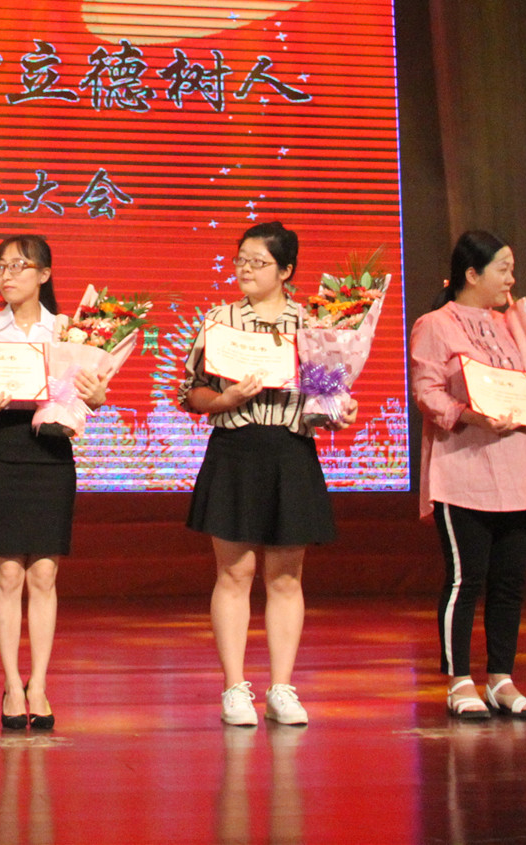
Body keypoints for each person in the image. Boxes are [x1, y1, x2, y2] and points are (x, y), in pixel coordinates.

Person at [409, 230, 526, 721]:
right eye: (502, 269)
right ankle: (459, 680)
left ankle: (501, 678)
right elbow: (426, 390)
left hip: (520, 467)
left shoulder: (517, 323)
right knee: (466, 579)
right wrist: (470, 414)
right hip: (465, 470)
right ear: (472, 274)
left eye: (512, 269)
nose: (511, 279)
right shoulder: (435, 324)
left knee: (510, 581)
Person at [181, 221, 336, 728]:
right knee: (234, 573)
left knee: (286, 577)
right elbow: (191, 392)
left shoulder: (313, 323)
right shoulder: (220, 319)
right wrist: (223, 399)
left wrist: (339, 409)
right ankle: (234, 689)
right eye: (241, 259)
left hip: (290, 452)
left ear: (286, 270)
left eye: (258, 262)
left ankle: (282, 689)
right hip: (236, 450)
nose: (245, 269)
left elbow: (327, 394)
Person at [0, 234, 108, 731]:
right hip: (4, 447)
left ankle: (38, 683)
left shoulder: (68, 330)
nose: (7, 275)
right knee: (7, 574)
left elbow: (91, 397)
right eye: (0, 266)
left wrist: (96, 394)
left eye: (18, 266)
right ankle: (10, 682)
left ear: (44, 274)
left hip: (51, 451)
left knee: (43, 574)